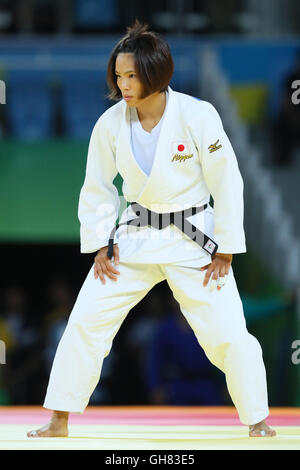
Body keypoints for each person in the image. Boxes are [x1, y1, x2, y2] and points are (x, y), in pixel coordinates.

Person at [27, 20, 276, 438]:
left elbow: (227, 180)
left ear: (156, 74)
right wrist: (100, 245)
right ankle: (59, 418)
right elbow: (98, 188)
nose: (124, 84)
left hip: (195, 237)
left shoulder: (198, 115)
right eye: (119, 76)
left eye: (132, 76)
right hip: (135, 235)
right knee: (86, 321)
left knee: (228, 333)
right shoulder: (109, 124)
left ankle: (258, 419)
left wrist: (227, 247)